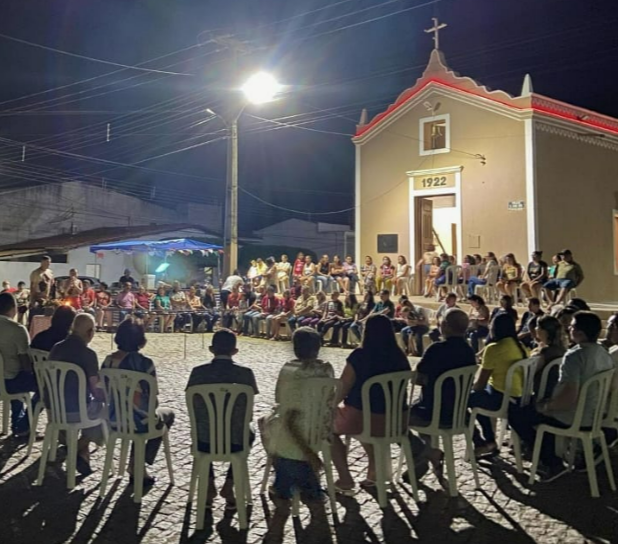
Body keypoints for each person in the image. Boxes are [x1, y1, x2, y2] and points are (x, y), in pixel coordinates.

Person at [509, 311, 614, 481]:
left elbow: (568, 397)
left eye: (572, 326)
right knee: (537, 413)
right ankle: (549, 453)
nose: (568, 329)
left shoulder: (575, 356)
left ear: (579, 332)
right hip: (594, 414)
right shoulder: (603, 353)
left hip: (573, 416)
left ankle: (550, 461)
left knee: (517, 413)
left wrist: (545, 406)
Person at [330, 315, 412, 493]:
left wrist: (329, 405)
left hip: (366, 418)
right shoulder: (400, 357)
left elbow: (343, 386)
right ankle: (375, 472)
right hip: (397, 419)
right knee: (362, 419)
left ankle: (345, 478)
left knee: (326, 427)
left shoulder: (360, 356)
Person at [260, 327, 335, 500]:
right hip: (320, 428)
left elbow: (281, 401)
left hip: (295, 427)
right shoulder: (327, 368)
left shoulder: (290, 369)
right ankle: (299, 478)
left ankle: (280, 469)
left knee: (263, 423)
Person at [186, 329, 258, 508]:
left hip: (204, 440)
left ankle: (209, 482)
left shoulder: (198, 373)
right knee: (249, 432)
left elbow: (195, 410)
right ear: (235, 351)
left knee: (203, 429)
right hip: (236, 441)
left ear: (211, 349)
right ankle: (229, 483)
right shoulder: (245, 374)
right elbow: (248, 415)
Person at [103, 317, 175, 485]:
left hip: (114, 418)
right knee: (168, 415)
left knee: (140, 416)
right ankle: (139, 462)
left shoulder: (108, 361)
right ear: (141, 340)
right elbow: (152, 396)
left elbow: (103, 390)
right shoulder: (145, 364)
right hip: (140, 421)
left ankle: (136, 463)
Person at [406, 309, 477, 478]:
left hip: (433, 412)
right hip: (458, 413)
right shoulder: (469, 352)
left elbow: (416, 378)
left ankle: (426, 451)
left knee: (394, 418)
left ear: (444, 325)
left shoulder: (436, 349)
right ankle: (426, 457)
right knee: (422, 408)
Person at [49, 314, 105, 475]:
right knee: (108, 412)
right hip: (77, 411)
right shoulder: (88, 354)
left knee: (89, 408)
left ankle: (83, 455)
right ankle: (77, 448)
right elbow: (96, 389)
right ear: (89, 332)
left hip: (54, 409)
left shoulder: (56, 348)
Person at [469, 314, 528, 457]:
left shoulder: (493, 349)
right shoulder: (521, 347)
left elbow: (480, 384)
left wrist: (470, 388)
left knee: (467, 399)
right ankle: (488, 440)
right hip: (519, 397)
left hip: (501, 399)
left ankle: (486, 441)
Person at [0, 293, 38, 436]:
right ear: (13, 308)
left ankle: (18, 422)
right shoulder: (17, 329)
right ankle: (22, 424)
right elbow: (25, 362)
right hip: (10, 381)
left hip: (5, 378)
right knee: (43, 386)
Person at [530, 315, 566, 400]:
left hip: (541, 393)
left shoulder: (545, 352)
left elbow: (530, 371)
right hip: (556, 391)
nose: (535, 329)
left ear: (544, 331)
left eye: (537, 326)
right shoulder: (562, 349)